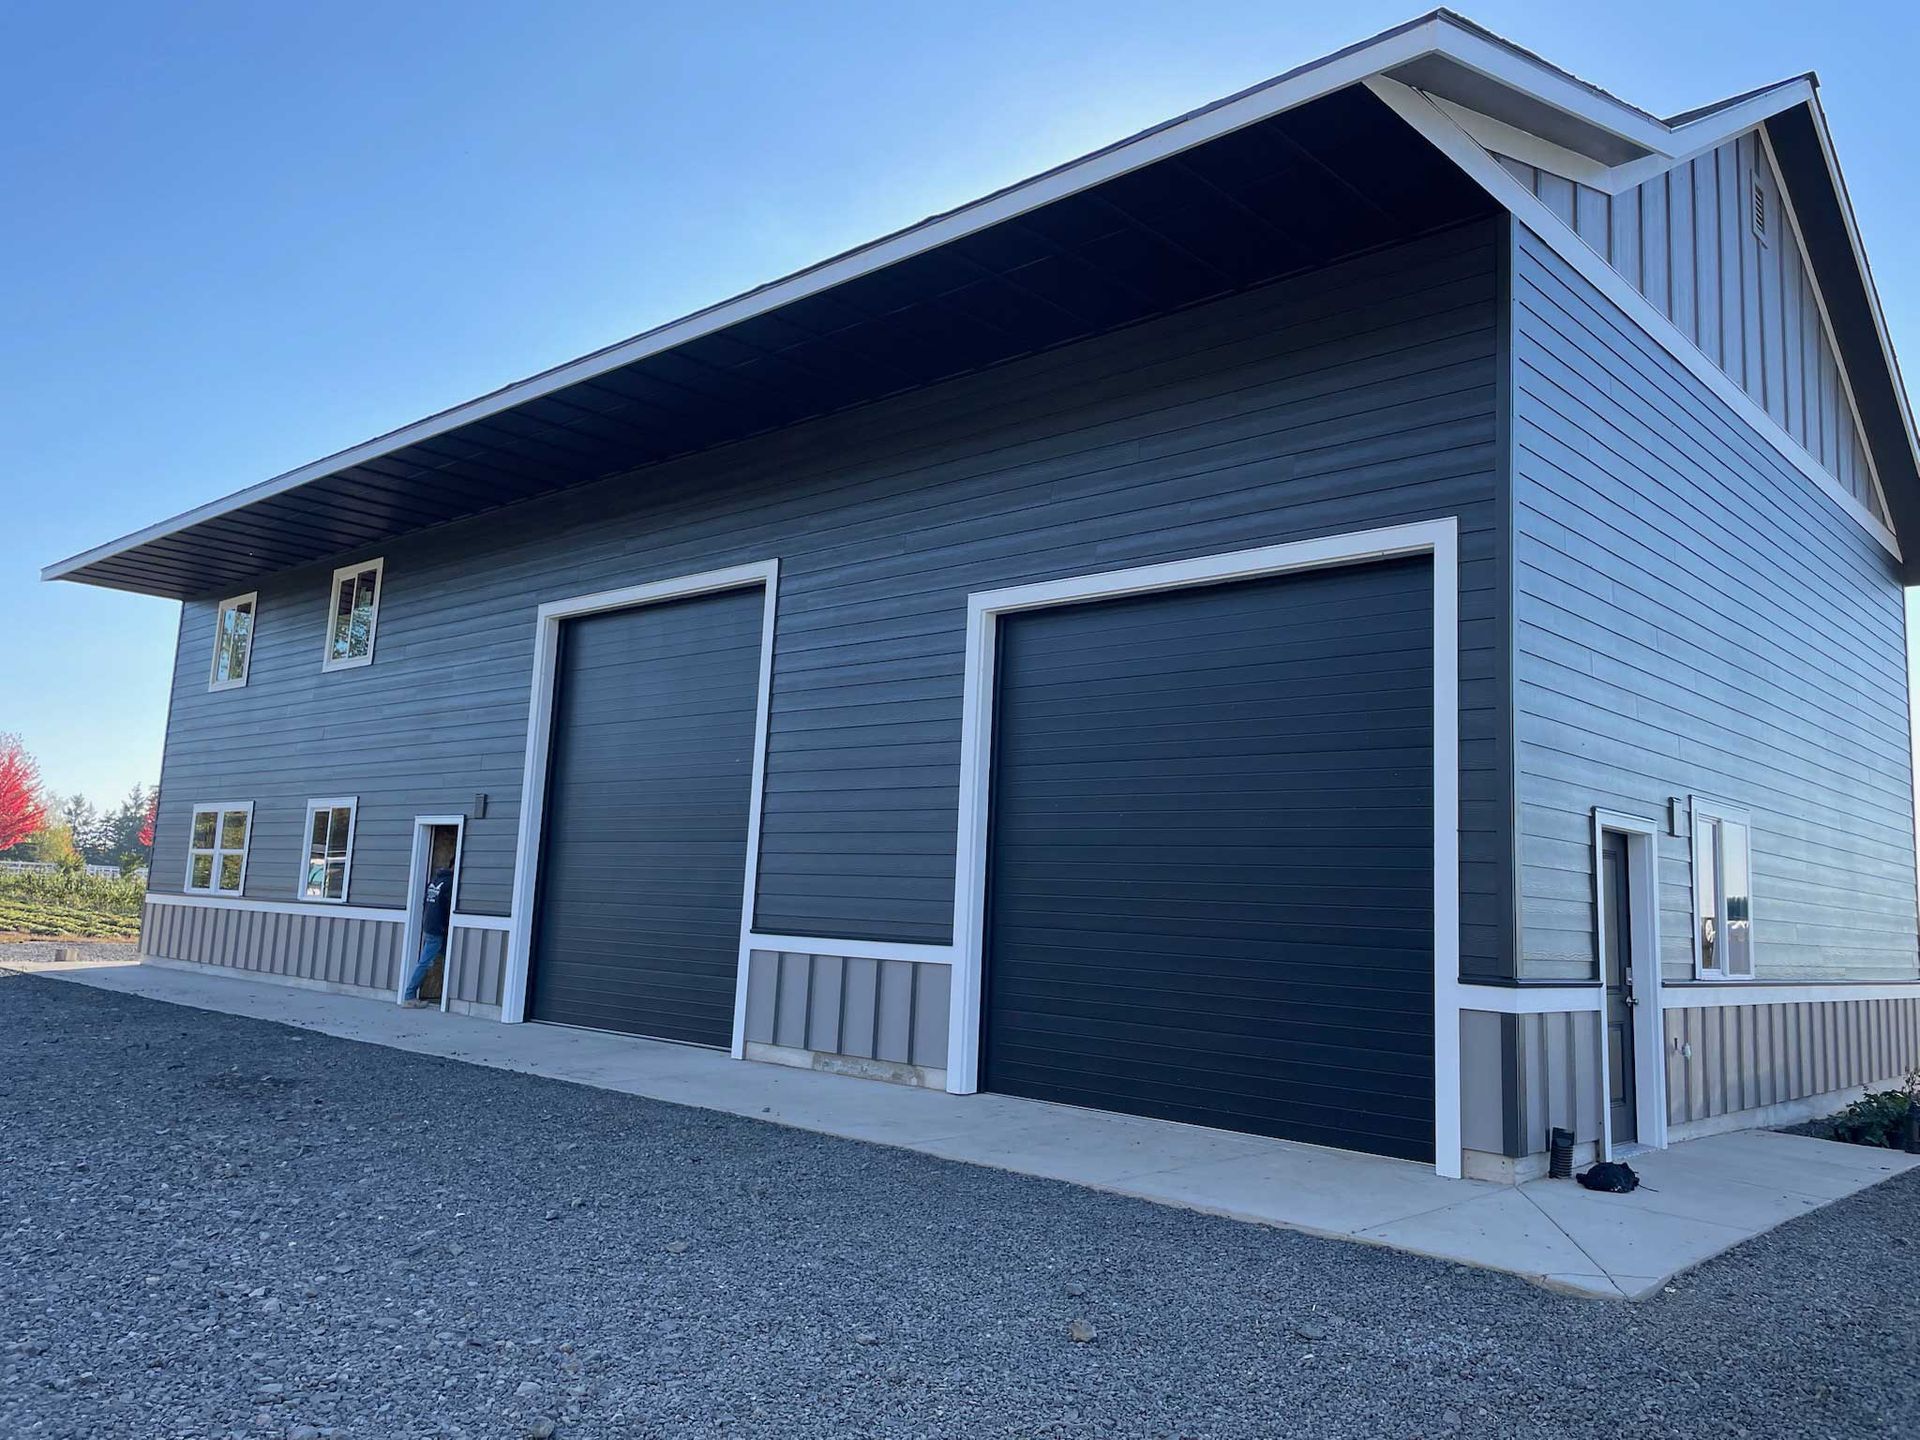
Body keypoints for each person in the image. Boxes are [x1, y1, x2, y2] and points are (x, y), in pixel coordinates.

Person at [401, 853, 455, 1007]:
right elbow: (447, 907)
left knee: (446, 958)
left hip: (430, 925)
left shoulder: (435, 881)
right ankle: (409, 995)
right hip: (438, 929)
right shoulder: (450, 883)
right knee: (425, 962)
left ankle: (445, 992)